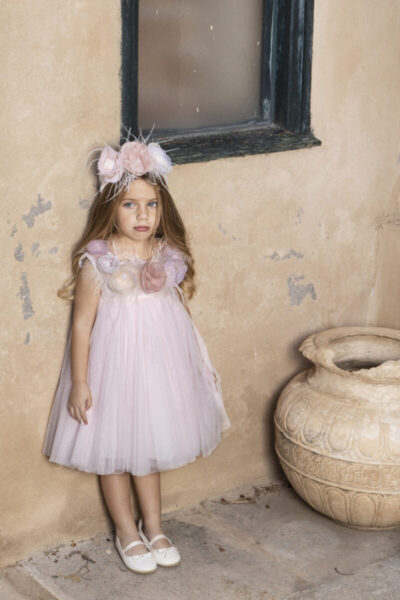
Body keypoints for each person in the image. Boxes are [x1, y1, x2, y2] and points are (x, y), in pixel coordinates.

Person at [42, 135, 231, 574]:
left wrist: (194, 366)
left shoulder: (167, 256)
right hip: (113, 370)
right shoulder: (99, 262)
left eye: (151, 205)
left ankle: (155, 526)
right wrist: (81, 382)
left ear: (163, 209)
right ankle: (127, 530)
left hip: (157, 370)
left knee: (150, 444)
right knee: (112, 449)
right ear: (111, 208)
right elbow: (82, 326)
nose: (143, 215)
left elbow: (176, 316)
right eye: (130, 205)